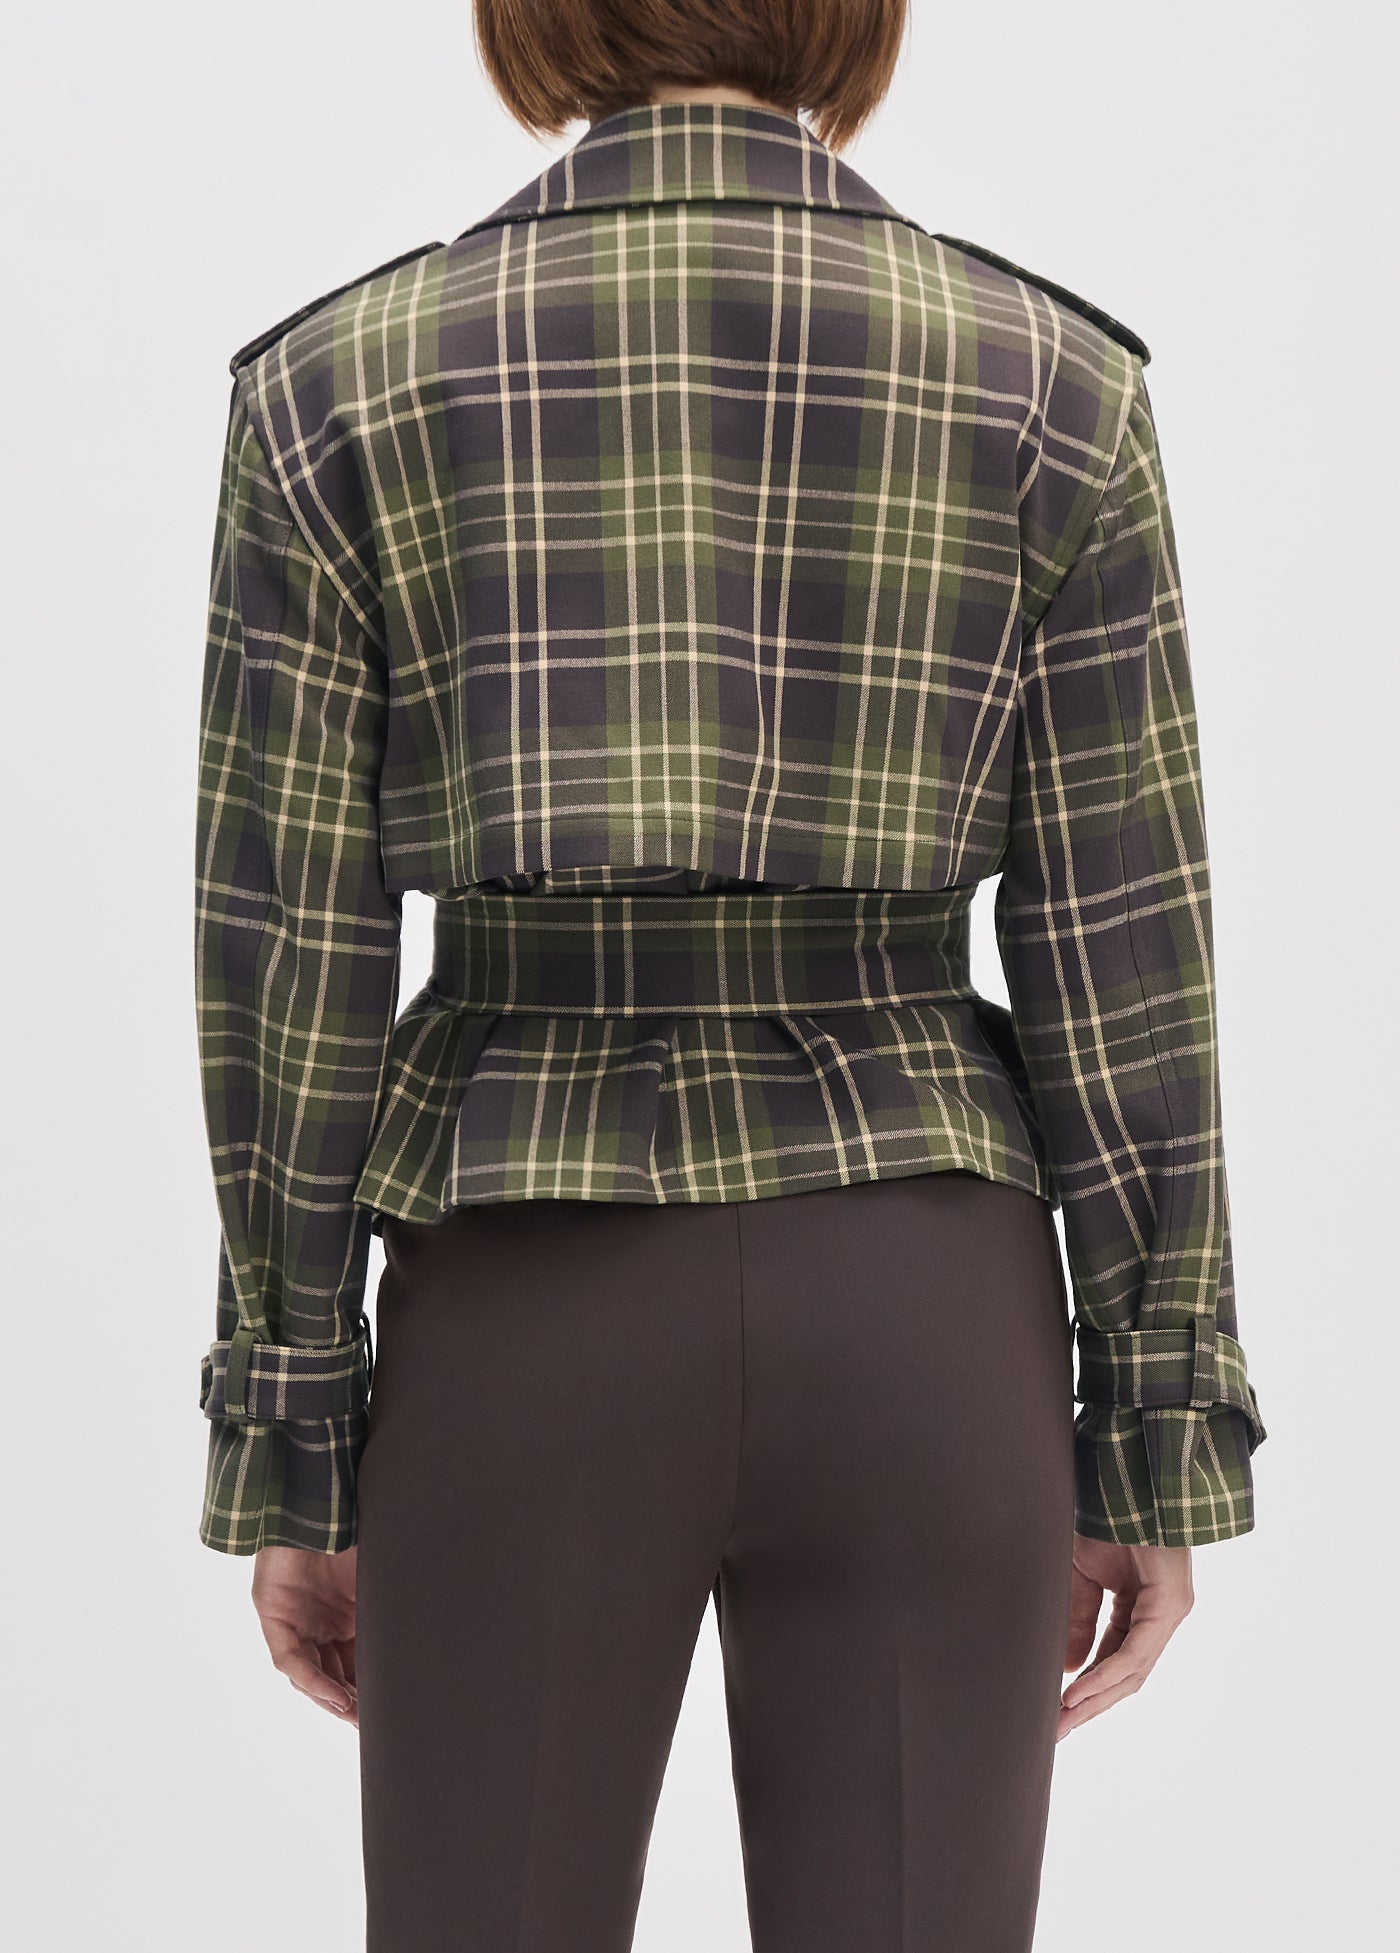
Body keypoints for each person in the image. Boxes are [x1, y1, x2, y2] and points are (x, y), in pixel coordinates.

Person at [192, 3, 1267, 1946]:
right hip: (921, 1286)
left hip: (521, 1287)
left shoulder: (337, 386)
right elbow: (1126, 942)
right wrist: (1152, 1418)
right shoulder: (1053, 382)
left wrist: (295, 1430)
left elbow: (288, 955)